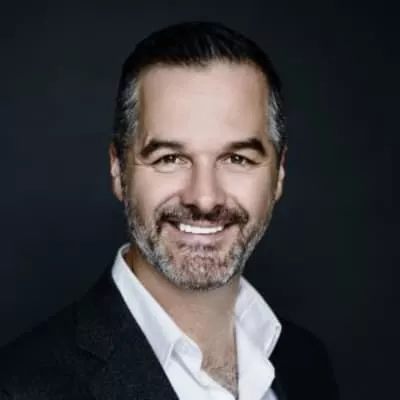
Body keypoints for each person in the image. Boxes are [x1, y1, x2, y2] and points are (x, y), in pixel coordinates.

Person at [0, 21, 339, 399]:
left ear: (279, 173)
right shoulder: (19, 388)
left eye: (237, 158)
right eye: (170, 158)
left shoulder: (304, 360)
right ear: (118, 170)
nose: (205, 199)